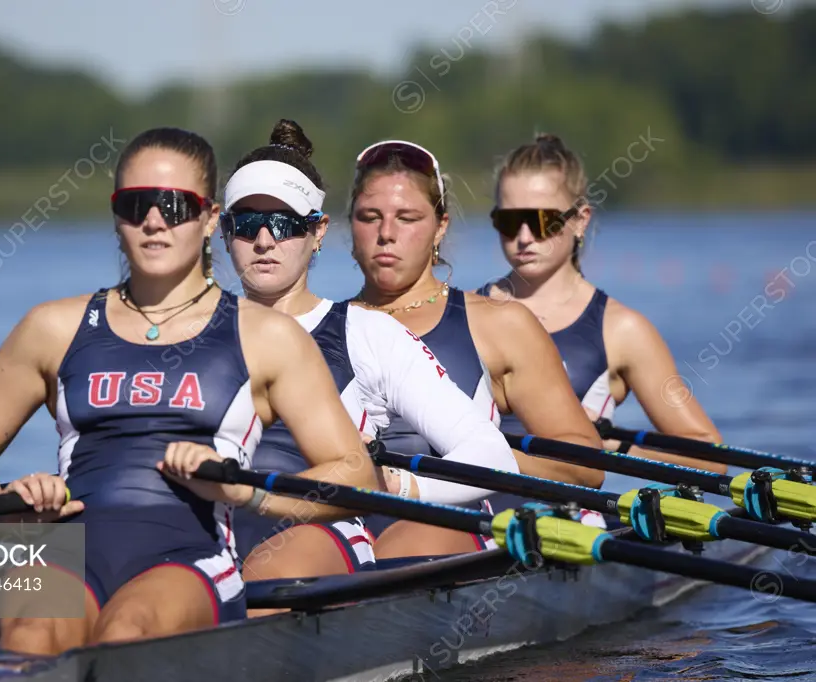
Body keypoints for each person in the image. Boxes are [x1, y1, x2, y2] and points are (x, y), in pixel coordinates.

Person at [0, 127, 379, 655]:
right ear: (117, 216)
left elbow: (354, 474)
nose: (154, 220)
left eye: (175, 204)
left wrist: (246, 491)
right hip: (67, 549)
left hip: (190, 557)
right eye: (135, 204)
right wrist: (4, 507)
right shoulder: (53, 327)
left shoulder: (266, 338)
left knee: (128, 636)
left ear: (211, 219)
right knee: (30, 635)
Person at [219, 120, 519, 613]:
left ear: (317, 232)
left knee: (255, 593)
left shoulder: (365, 333)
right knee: (47, 577)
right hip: (206, 532)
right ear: (225, 231)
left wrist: (397, 484)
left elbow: (494, 458)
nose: (265, 240)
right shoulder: (187, 336)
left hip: (314, 538)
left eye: (285, 223)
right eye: (248, 223)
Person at [346, 139, 608, 561]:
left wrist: (480, 456)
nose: (387, 234)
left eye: (408, 217)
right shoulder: (320, 331)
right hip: (351, 528)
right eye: (369, 218)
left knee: (405, 547)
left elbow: (585, 468)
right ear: (349, 227)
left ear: (441, 226)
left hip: (460, 527)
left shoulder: (498, 324)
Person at [480, 133, 727, 474]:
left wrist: (611, 448)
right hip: (475, 515)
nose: (523, 237)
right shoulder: (466, 310)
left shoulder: (622, 329)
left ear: (580, 219)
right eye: (508, 222)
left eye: (542, 221)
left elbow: (709, 457)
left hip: (569, 517)